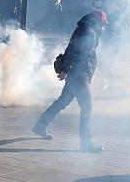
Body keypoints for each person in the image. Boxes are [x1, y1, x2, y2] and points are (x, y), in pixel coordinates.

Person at [32, 10, 108, 152]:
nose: (103, 27)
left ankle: (40, 125)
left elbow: (89, 55)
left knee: (63, 101)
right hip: (79, 75)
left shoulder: (89, 31)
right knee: (87, 108)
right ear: (96, 21)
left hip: (79, 74)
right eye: (102, 23)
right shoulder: (87, 32)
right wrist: (65, 70)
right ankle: (86, 143)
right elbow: (72, 50)